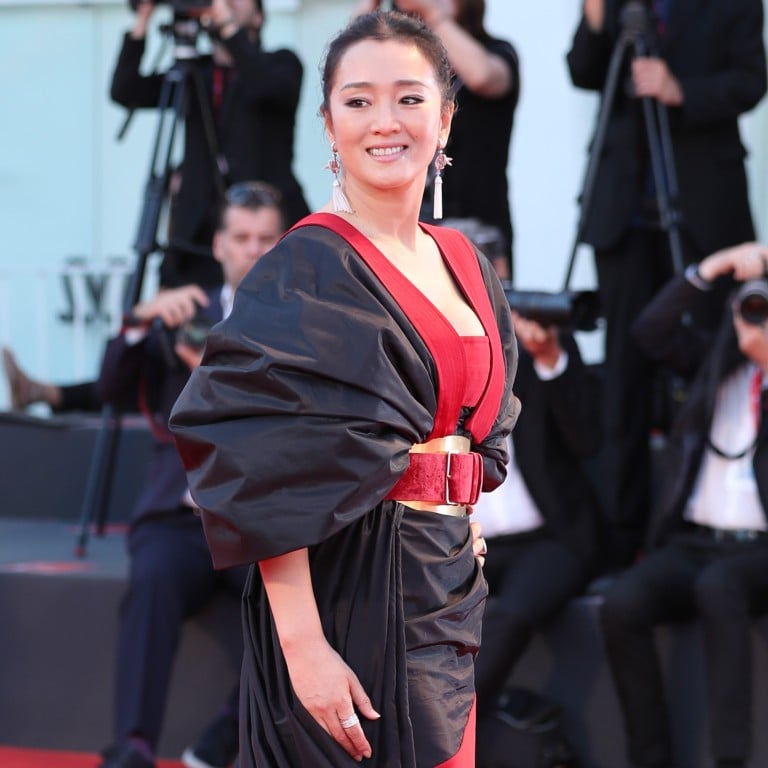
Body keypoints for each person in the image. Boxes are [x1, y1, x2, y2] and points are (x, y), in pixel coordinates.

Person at [169, 10, 519, 767]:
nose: (384, 121)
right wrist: (304, 649)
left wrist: (453, 514)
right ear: (328, 124)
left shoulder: (465, 259)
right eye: (358, 101)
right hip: (345, 601)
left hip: (447, 597)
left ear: (446, 117)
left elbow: (484, 423)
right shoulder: (307, 268)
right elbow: (256, 463)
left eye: (409, 98)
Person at [565, 0, 767, 569]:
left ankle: (705, 519)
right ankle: (623, 538)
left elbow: (752, 80)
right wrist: (596, 13)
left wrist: (683, 90)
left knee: (715, 361)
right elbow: (584, 70)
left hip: (703, 206)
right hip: (624, 212)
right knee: (624, 377)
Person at [95, 181, 287, 768]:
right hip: (181, 516)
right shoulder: (185, 309)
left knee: (298, 607)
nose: (252, 249)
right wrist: (137, 322)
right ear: (219, 244)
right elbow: (111, 391)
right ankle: (131, 746)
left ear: (281, 244)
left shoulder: (303, 322)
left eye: (264, 238)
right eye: (241, 237)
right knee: (150, 580)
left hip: (259, 516)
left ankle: (222, 738)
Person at [600, 242, 768, 768]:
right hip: (694, 541)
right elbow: (650, 331)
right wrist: (711, 270)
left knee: (720, 589)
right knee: (622, 604)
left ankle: (731, 759)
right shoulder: (714, 368)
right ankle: (652, 758)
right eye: (751, 308)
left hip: (758, 552)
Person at [110, 0, 309, 289]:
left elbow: (266, 87)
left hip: (265, 232)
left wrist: (225, 21)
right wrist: (144, 16)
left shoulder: (281, 63)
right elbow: (125, 90)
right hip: (198, 238)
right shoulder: (193, 73)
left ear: (259, 17)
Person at [471, 314, 601, 751]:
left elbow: (589, 437)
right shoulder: (423, 369)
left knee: (510, 614)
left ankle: (448, 741)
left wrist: (548, 359)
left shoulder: (530, 359)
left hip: (549, 538)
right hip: (463, 543)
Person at [353, 0, 519, 279]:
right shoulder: (398, 63)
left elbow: (483, 76)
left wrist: (435, 18)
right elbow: (345, 70)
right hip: (404, 227)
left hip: (477, 229)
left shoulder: (496, 51)